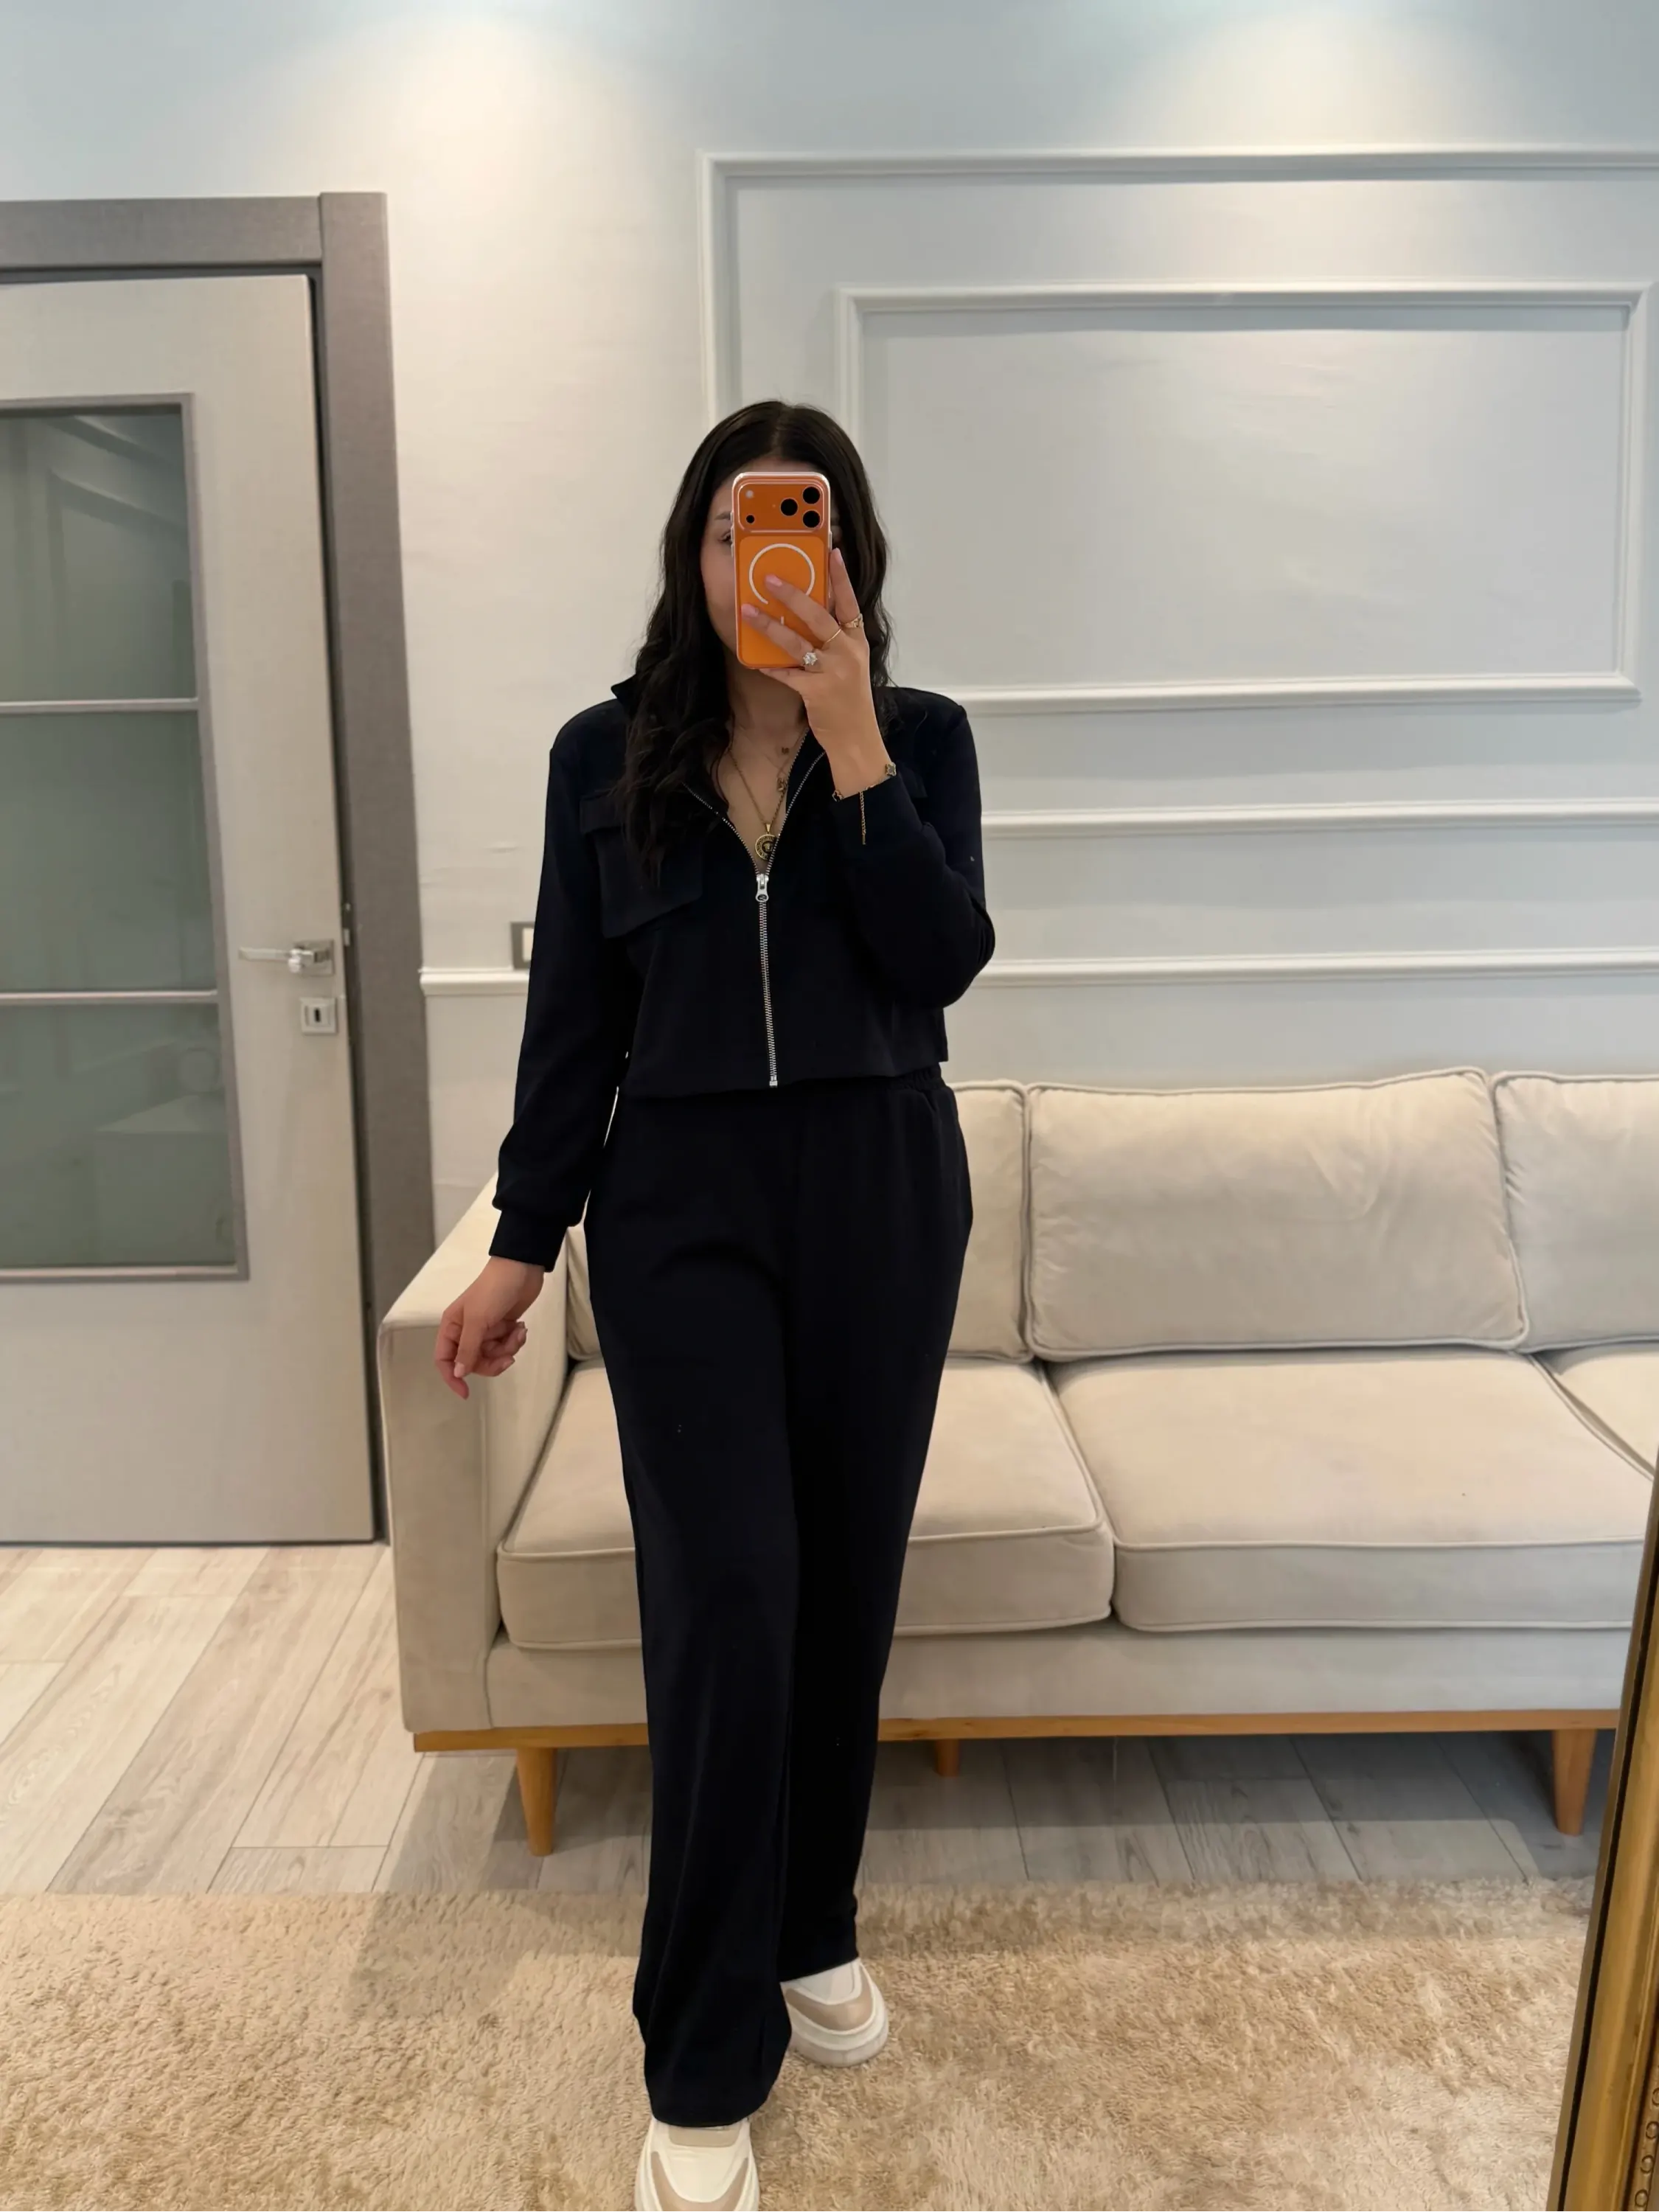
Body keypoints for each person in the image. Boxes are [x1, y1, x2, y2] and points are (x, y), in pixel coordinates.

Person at [434, 397, 995, 2212]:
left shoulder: (920, 739)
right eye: (735, 530)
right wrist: (523, 1240)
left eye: (801, 528)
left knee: (843, 1591)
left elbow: (943, 965)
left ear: (847, 556)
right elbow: (573, 1026)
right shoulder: (604, 758)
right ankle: (698, 2050)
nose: (766, 562)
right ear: (694, 554)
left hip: (881, 1195)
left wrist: (855, 747)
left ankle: (813, 1922)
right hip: (680, 1214)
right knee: (728, 1605)